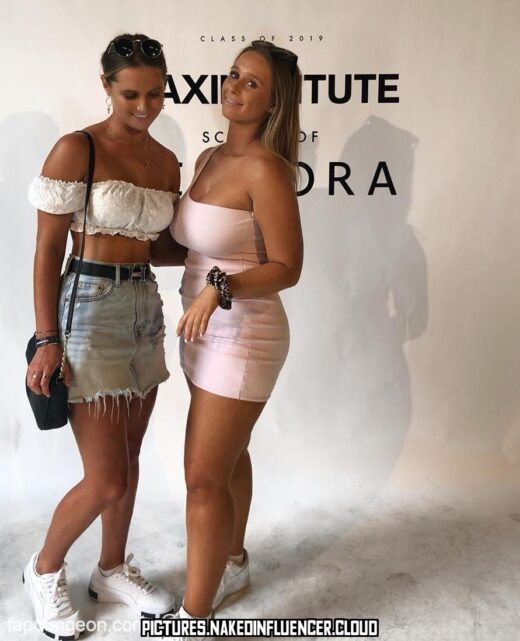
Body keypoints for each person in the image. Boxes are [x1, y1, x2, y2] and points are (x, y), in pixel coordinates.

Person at [23, 34, 180, 639]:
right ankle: (43, 570)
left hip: (145, 306)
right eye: (131, 94)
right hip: (86, 309)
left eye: (155, 93)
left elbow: (158, 248)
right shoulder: (77, 148)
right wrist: (46, 338)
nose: (144, 106)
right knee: (106, 476)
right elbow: (46, 251)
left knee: (130, 458)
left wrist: (233, 245)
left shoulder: (166, 161)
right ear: (107, 87)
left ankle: (111, 568)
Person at [152, 40, 303, 635]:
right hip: (200, 327)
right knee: (228, 456)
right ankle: (233, 562)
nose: (234, 87)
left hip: (243, 336)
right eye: (234, 74)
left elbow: (288, 267)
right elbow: (188, 247)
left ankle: (195, 616)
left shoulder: (267, 169)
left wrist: (219, 287)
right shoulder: (211, 158)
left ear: (273, 104)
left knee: (202, 478)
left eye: (251, 83)